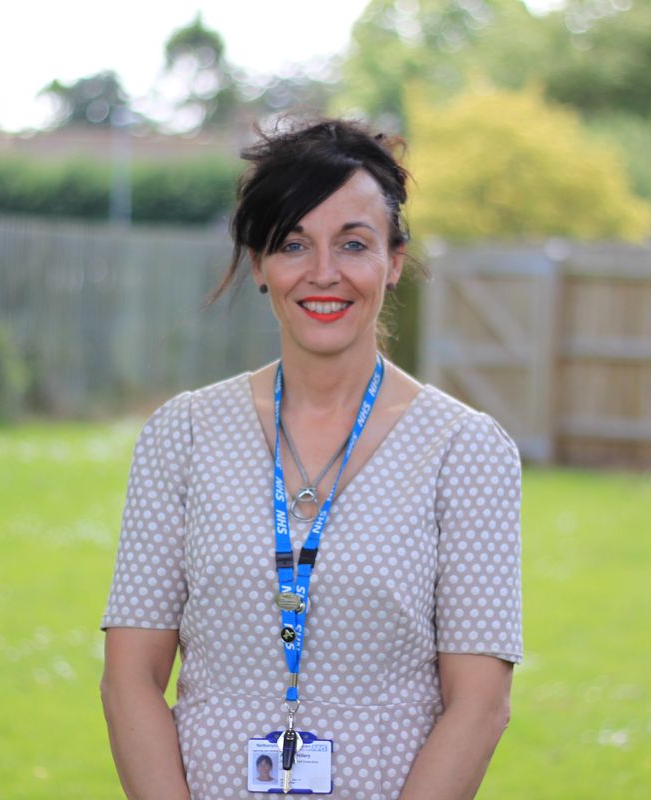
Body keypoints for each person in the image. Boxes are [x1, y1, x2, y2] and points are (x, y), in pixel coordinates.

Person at [99, 118, 523, 800]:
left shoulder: (464, 451)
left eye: (353, 244)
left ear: (393, 260)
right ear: (259, 264)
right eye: (294, 244)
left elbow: (480, 705)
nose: (324, 273)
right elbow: (130, 679)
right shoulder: (183, 434)